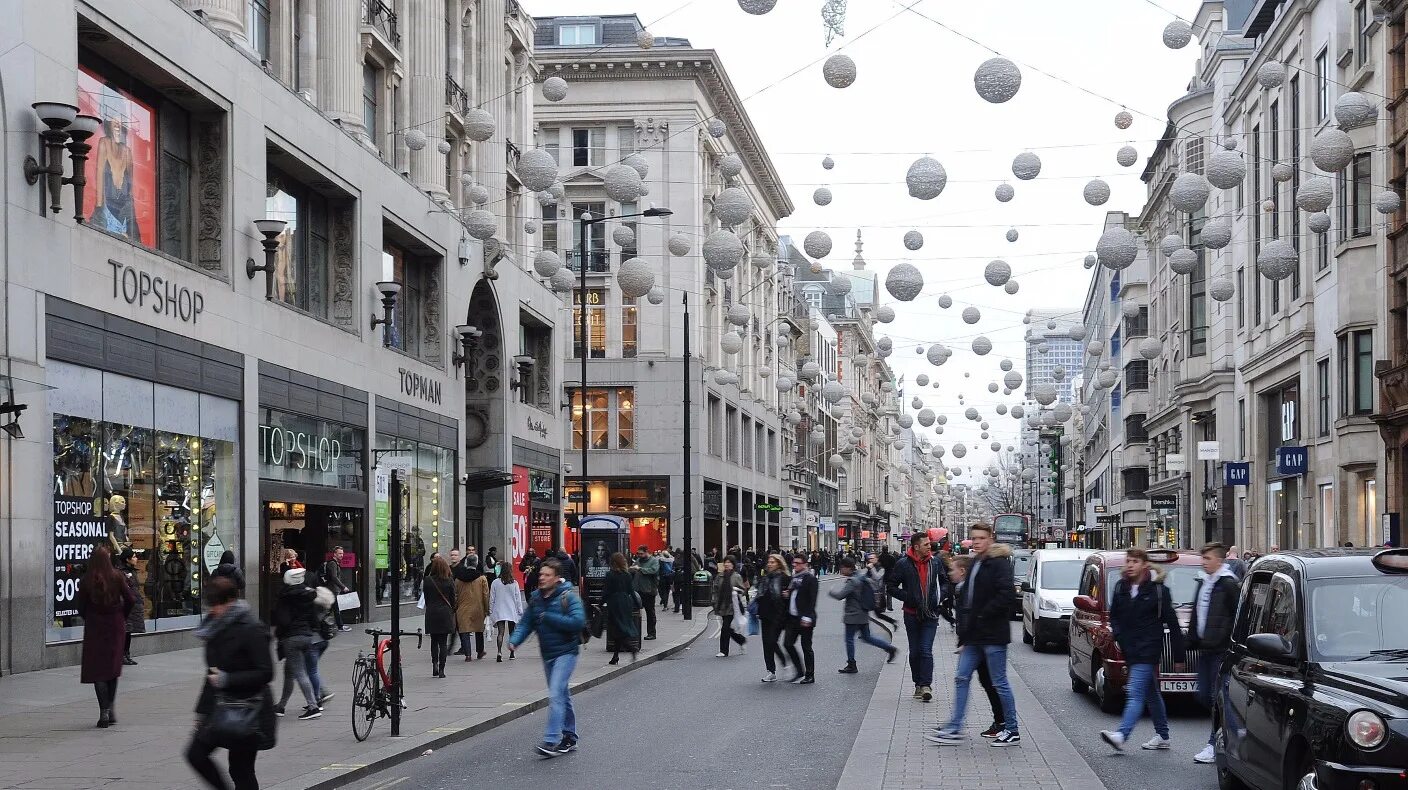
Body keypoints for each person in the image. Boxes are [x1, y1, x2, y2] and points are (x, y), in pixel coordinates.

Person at [930, 524, 1020, 747]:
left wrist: (983, 615)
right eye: (974, 538)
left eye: (981, 538)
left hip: (993, 634)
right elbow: (968, 601)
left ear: (991, 539)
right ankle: (955, 727)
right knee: (961, 677)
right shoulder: (977, 562)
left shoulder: (998, 563)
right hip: (974, 636)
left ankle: (1012, 729)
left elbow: (1006, 595)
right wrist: (964, 636)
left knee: (999, 682)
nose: (977, 541)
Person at [185, 577, 275, 790]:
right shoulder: (214, 628)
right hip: (221, 706)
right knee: (195, 755)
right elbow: (211, 674)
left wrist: (227, 679)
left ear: (232, 600)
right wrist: (202, 712)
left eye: (218, 604)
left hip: (249, 708)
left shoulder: (251, 628)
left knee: (240, 768)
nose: (214, 610)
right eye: (211, 604)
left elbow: (266, 672)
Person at [1099, 548, 1186, 753]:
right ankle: (1163, 736)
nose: (1130, 565)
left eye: (1135, 561)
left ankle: (1122, 735)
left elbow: (1172, 623)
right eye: (1128, 561)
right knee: (1151, 693)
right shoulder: (1121, 587)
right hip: (1130, 648)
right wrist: (1119, 636)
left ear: (1145, 565)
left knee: (1135, 692)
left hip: (1148, 649)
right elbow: (1115, 617)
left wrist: (1179, 655)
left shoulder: (1158, 590)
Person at [510, 559, 587, 757]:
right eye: (541, 574)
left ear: (556, 578)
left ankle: (551, 740)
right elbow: (527, 622)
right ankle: (570, 737)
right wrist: (515, 640)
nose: (542, 578)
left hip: (566, 653)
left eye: (547, 575)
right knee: (562, 694)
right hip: (548, 654)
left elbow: (578, 622)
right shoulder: (536, 599)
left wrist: (549, 617)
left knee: (555, 694)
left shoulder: (568, 597)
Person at [1186, 542, 1240, 764]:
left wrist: (1228, 643)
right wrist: (1190, 641)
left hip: (1220, 650)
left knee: (1218, 697)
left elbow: (1238, 617)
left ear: (1219, 560)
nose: (1203, 562)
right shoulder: (1205, 583)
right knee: (1203, 695)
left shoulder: (1227, 584)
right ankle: (1236, 730)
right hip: (1205, 649)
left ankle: (1215, 742)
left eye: (1207, 559)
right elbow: (1197, 613)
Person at [946, 555, 1006, 738]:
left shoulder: (968, 589)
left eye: (952, 569)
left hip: (981, 641)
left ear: (962, 571)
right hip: (975, 641)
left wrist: (966, 640)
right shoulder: (962, 588)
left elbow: (970, 616)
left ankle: (1004, 723)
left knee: (992, 682)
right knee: (986, 681)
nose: (950, 573)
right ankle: (1000, 722)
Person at [77, 545, 136, 727]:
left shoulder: (87, 579)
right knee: (112, 669)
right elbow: (131, 599)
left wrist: (91, 617)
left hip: (95, 627)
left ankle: (103, 712)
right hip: (115, 625)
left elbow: (80, 606)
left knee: (98, 670)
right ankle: (110, 709)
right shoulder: (117, 576)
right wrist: (121, 616)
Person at [888, 532, 948, 702]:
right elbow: (891, 586)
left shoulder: (935, 562)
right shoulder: (903, 564)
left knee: (925, 650)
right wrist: (907, 596)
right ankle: (917, 685)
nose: (930, 546)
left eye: (930, 544)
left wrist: (939, 596)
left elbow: (944, 582)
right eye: (926, 544)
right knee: (914, 652)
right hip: (911, 613)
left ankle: (926, 685)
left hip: (930, 613)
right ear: (916, 547)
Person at [830, 556, 898, 673]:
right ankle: (889, 648)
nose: (841, 570)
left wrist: (831, 592)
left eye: (842, 567)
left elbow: (840, 595)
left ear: (848, 568)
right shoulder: (860, 577)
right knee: (867, 637)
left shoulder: (853, 581)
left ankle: (851, 664)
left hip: (853, 615)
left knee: (849, 639)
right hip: (863, 612)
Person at [272, 568, 322, 720]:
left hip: (291, 638)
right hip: (307, 636)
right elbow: (314, 619)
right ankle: (281, 706)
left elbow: (282, 620)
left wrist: (278, 633)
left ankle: (313, 707)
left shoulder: (285, 597)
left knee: (300, 673)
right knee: (290, 672)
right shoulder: (308, 595)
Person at [783, 554, 819, 684]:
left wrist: (807, 617)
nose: (794, 565)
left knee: (806, 647)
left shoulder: (810, 579)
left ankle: (810, 675)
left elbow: (812, 600)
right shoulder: (794, 578)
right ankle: (799, 671)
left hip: (805, 619)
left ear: (805, 564)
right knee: (787, 644)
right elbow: (794, 594)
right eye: (794, 563)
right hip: (793, 618)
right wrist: (788, 594)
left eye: (798, 563)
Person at [757, 554, 791, 682]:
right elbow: (760, 594)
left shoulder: (785, 578)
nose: (770, 564)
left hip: (778, 615)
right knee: (766, 644)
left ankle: (785, 664)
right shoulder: (765, 578)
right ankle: (771, 671)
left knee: (772, 641)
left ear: (779, 564)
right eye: (769, 562)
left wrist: (788, 594)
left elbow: (791, 595)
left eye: (773, 562)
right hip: (764, 614)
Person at [422, 556, 457, 678]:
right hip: (445, 614)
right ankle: (442, 669)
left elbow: (426, 598)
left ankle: (434, 665)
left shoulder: (427, 580)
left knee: (434, 641)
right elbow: (453, 599)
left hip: (432, 613)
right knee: (443, 642)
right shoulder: (449, 581)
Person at [452, 549, 490, 660]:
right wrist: (487, 609)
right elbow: (486, 595)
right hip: (478, 608)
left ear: (466, 563)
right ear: (477, 563)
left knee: (464, 630)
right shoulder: (482, 578)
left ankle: (468, 655)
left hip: (463, 608)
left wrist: (455, 607)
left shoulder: (458, 579)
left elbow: (455, 594)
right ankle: (480, 651)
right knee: (479, 630)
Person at [604, 552, 640, 666]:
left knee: (615, 630)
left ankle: (631, 647)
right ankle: (615, 656)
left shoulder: (610, 575)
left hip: (614, 603)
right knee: (620, 628)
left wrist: (600, 604)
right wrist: (638, 604)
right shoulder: (627, 575)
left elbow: (606, 592)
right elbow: (631, 591)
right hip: (626, 603)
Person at [711, 557, 748, 657]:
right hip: (721, 605)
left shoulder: (736, 577)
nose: (727, 564)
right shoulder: (720, 576)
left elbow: (743, 590)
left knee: (725, 627)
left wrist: (737, 590)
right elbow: (715, 589)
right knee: (728, 629)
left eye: (729, 563)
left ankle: (723, 650)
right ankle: (741, 640)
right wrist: (714, 601)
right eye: (725, 562)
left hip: (732, 606)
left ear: (733, 565)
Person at [489, 564, 525, 661]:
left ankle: (499, 652)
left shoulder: (495, 582)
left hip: (499, 610)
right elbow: (518, 599)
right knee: (512, 633)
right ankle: (512, 653)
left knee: (500, 632)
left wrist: (490, 610)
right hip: (511, 610)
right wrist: (520, 611)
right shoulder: (514, 583)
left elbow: (492, 598)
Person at [118, 548, 146, 665]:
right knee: (125, 631)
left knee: (129, 631)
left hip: (133, 605)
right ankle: (122, 655)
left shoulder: (132, 571)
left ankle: (126, 654)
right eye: (134, 557)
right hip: (126, 605)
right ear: (127, 559)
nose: (136, 559)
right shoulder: (121, 572)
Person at [320, 546, 353, 632]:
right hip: (332, 590)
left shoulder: (335, 563)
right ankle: (340, 626)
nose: (342, 555)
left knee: (332, 609)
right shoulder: (333, 564)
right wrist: (343, 587)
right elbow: (334, 577)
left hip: (333, 590)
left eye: (342, 553)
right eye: (339, 553)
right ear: (335, 554)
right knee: (335, 609)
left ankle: (337, 625)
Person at [632, 545, 660, 641]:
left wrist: (640, 569)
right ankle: (634, 633)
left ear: (646, 552)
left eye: (641, 553)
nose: (639, 555)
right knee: (634, 612)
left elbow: (654, 570)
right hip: (638, 590)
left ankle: (652, 633)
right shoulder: (638, 561)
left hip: (649, 591)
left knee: (650, 612)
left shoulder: (654, 561)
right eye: (638, 553)